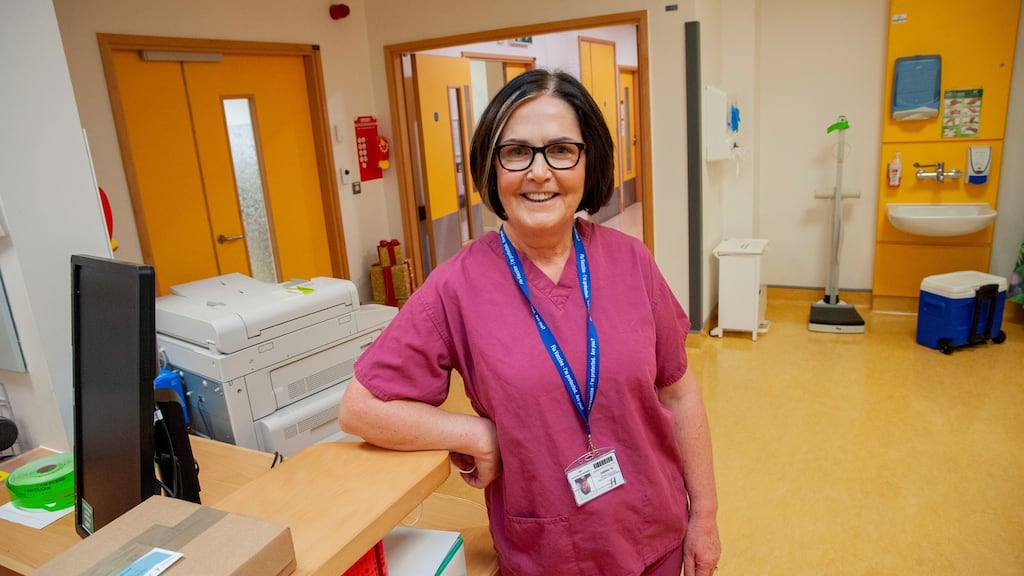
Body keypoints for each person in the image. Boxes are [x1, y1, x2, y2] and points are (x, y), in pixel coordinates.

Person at [339, 68, 721, 576]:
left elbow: (679, 393)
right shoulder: (457, 286)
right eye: (517, 152)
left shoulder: (631, 261)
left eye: (561, 150)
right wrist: (475, 434)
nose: (539, 172)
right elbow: (361, 408)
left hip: (655, 537)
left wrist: (706, 516)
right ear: (492, 166)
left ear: (588, 161)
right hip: (548, 553)